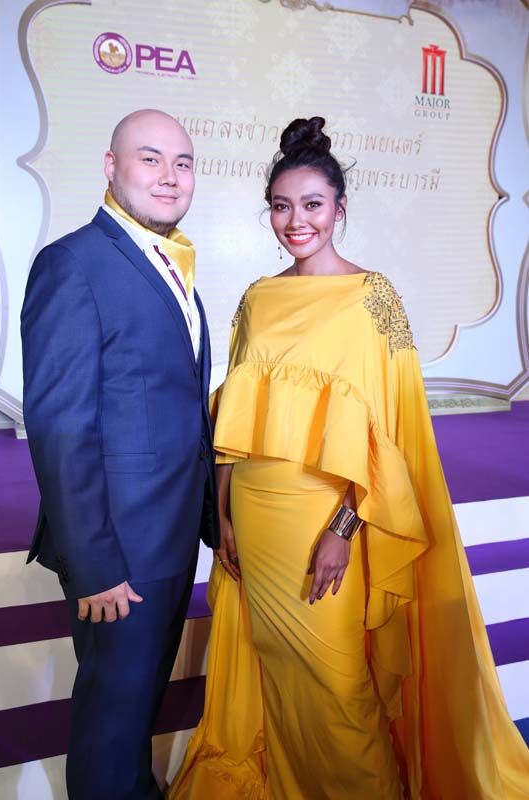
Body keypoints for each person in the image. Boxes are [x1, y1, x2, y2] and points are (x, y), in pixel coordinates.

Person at [169, 117, 529, 799]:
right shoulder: (258, 298)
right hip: (254, 517)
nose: (295, 221)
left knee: (340, 689)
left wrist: (343, 529)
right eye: (281, 206)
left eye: (312, 204)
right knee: (278, 670)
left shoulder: (374, 298)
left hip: (326, 520)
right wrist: (223, 516)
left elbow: (390, 429)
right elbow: (232, 419)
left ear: (338, 208)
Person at [21, 109, 219, 800]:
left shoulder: (169, 261)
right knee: (112, 719)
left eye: (182, 163)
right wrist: (96, 566)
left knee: (135, 711)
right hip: (118, 553)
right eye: (150, 158)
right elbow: (61, 427)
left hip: (166, 536)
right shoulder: (73, 264)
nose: (170, 176)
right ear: (111, 166)